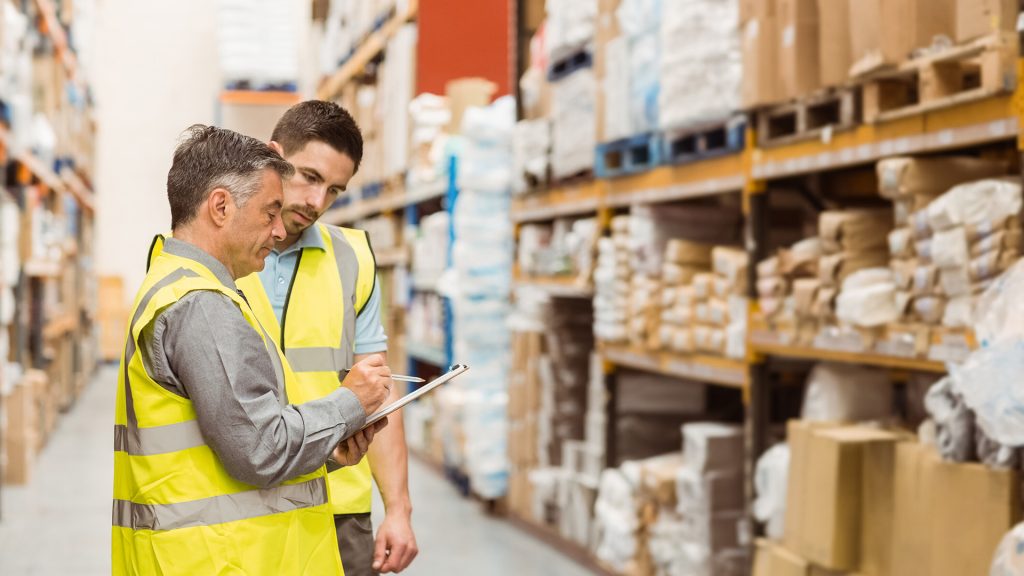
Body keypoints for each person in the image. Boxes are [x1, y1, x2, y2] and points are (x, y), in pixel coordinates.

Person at [113, 125, 392, 575]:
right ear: (220, 206)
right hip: (219, 559)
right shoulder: (202, 305)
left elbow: (225, 435)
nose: (280, 230)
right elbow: (260, 449)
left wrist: (324, 450)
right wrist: (350, 403)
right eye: (269, 213)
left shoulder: (171, 278)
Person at [245, 100, 418, 575]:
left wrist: (398, 510)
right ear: (272, 155)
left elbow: (378, 393)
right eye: (309, 177)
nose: (317, 203)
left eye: (335, 191)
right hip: (239, 505)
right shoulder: (219, 251)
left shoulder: (352, 259)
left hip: (336, 506)